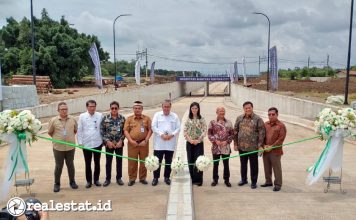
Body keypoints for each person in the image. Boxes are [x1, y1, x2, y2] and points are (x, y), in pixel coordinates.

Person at [234, 101, 266, 189]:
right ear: (244, 109)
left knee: (254, 166)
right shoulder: (239, 118)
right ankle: (244, 179)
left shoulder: (258, 119)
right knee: (243, 164)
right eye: (246, 108)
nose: (248, 109)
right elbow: (235, 131)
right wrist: (235, 144)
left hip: (253, 148)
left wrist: (260, 146)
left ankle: (254, 182)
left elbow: (261, 133)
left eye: (249, 108)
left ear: (252, 108)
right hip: (242, 147)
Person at [48, 102, 78, 193]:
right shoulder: (53, 120)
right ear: (58, 110)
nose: (64, 111)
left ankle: (72, 182)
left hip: (70, 147)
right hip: (58, 148)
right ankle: (57, 183)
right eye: (62, 109)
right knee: (58, 166)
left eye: (66, 109)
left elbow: (75, 130)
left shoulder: (73, 119)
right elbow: (50, 132)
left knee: (70, 165)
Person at [151, 99, 180, 186]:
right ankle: (155, 178)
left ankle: (167, 177)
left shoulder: (174, 116)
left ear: (170, 107)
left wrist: (172, 135)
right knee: (156, 162)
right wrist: (161, 135)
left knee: (168, 161)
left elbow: (178, 128)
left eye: (168, 106)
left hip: (170, 143)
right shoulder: (157, 115)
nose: (166, 108)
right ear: (162, 107)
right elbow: (153, 126)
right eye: (165, 106)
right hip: (159, 144)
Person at [124, 101, 152, 186]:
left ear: (142, 109)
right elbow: (125, 131)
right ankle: (132, 178)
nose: (137, 110)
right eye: (135, 108)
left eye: (139, 108)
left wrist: (146, 140)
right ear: (133, 109)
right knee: (132, 162)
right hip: (132, 144)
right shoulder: (129, 119)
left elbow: (150, 130)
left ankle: (142, 178)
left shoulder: (147, 118)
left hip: (144, 143)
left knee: (144, 162)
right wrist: (131, 141)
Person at [77, 100, 103, 188]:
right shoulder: (82, 116)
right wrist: (80, 142)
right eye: (90, 106)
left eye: (94, 106)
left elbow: (102, 129)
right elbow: (79, 130)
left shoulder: (99, 115)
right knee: (87, 163)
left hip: (97, 143)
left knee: (97, 162)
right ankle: (88, 181)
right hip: (86, 144)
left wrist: (103, 141)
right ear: (87, 107)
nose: (92, 108)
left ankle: (96, 180)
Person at [100, 101, 126, 187]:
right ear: (110, 109)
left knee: (119, 161)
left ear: (118, 108)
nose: (114, 110)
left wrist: (121, 141)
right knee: (108, 162)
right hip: (109, 145)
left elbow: (125, 132)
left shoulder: (122, 119)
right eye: (112, 108)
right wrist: (107, 141)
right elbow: (102, 131)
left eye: (116, 108)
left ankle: (119, 178)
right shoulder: (105, 118)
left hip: (119, 144)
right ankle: (108, 179)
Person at [261, 107, 287, 192]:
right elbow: (262, 136)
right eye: (269, 114)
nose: (271, 116)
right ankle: (268, 181)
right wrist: (264, 146)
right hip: (266, 150)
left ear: (277, 115)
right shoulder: (265, 124)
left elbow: (281, 139)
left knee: (276, 168)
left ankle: (278, 184)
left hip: (275, 151)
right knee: (267, 167)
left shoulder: (281, 126)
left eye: (273, 114)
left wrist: (272, 146)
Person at [208, 107, 234, 187]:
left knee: (226, 164)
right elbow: (209, 134)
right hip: (216, 148)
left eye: (223, 111)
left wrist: (226, 141)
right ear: (217, 112)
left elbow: (232, 134)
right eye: (220, 111)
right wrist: (215, 141)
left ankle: (227, 180)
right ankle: (215, 180)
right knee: (216, 164)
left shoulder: (229, 122)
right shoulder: (212, 122)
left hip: (225, 147)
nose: (222, 112)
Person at [184, 102, 207, 186]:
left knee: (199, 161)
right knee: (191, 160)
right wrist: (190, 140)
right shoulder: (188, 119)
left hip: (199, 143)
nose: (194, 110)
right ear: (190, 109)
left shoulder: (201, 119)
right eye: (192, 108)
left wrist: (198, 140)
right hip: (190, 143)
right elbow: (185, 131)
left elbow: (205, 130)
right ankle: (192, 178)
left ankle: (199, 180)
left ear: (198, 109)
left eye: (196, 108)